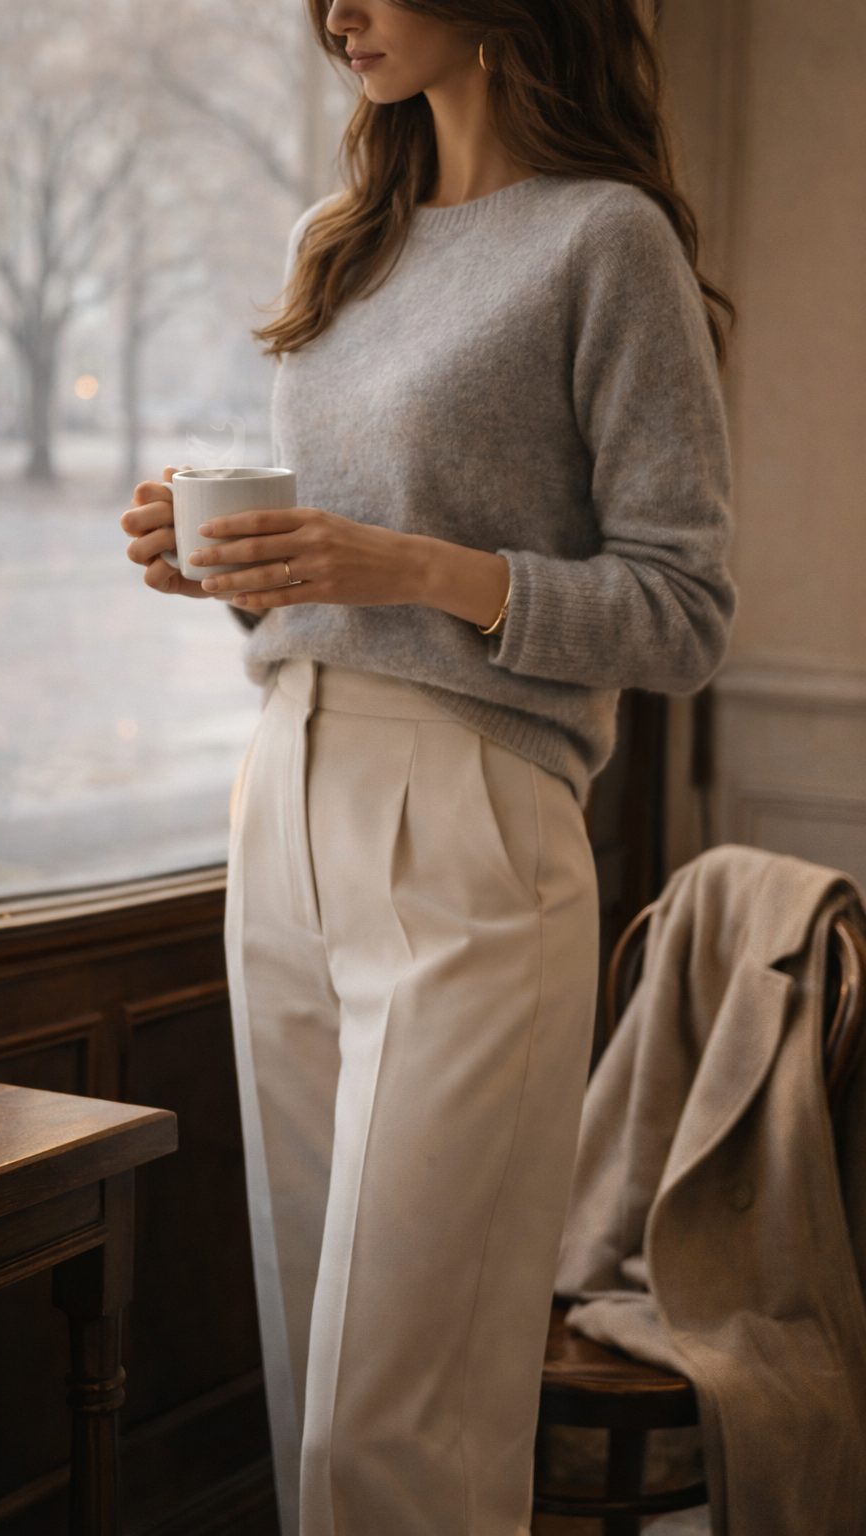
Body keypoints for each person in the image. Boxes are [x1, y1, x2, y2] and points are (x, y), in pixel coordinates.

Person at [120, 2, 739, 1532]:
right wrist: (234, 573)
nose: (337, 12)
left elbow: (684, 612)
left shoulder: (607, 243)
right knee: (306, 1389)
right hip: (289, 789)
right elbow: (336, 576)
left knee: (391, 1423)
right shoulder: (344, 237)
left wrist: (417, 565)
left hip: (469, 815)